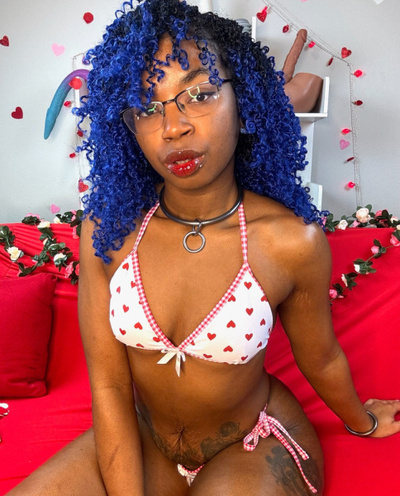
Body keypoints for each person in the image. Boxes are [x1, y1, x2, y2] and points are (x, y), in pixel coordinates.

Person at [8, 0, 400, 494]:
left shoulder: (289, 240)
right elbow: (108, 386)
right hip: (146, 439)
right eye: (147, 107)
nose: (174, 127)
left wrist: (362, 420)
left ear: (244, 102)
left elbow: (320, 358)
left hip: (253, 445)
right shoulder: (108, 230)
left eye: (200, 94)